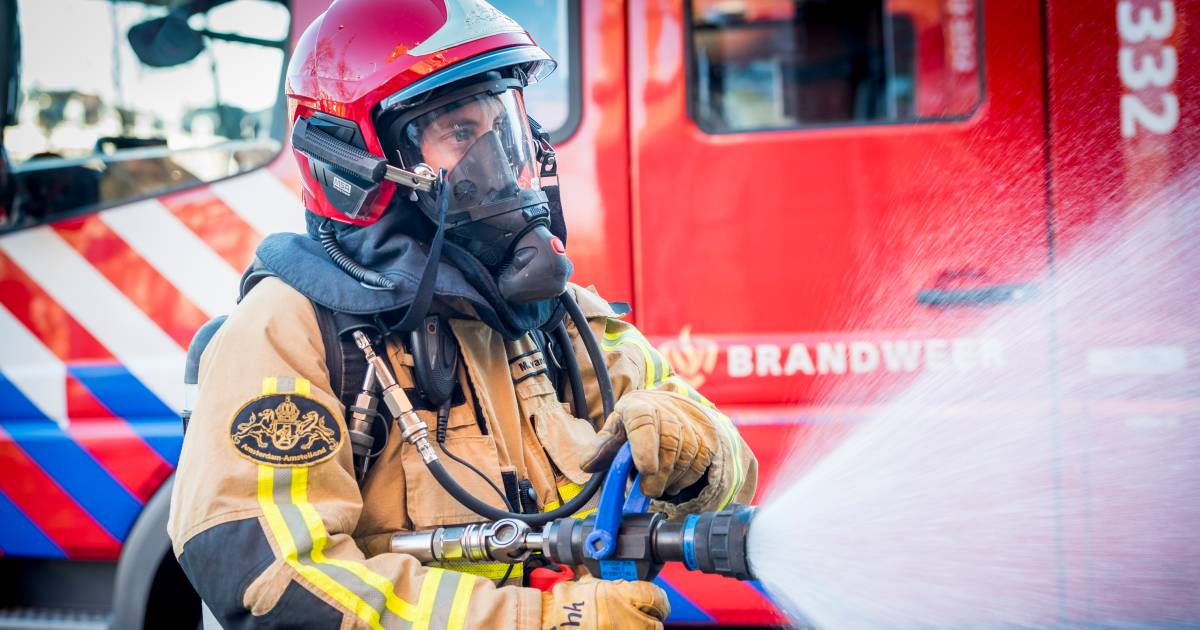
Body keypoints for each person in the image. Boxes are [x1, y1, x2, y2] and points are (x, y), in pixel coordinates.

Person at [167, 1, 757, 628]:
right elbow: (271, 575)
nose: (499, 163)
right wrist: (535, 622)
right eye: (459, 132)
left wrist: (699, 455)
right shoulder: (289, 332)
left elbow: (732, 486)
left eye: (502, 126)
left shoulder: (556, 318)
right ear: (355, 160)